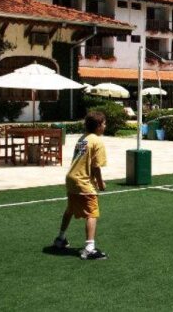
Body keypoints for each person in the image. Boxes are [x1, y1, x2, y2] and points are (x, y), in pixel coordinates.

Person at [53, 111, 108, 260]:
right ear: (98, 126)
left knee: (70, 209)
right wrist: (100, 183)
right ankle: (89, 248)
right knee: (92, 213)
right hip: (82, 181)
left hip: (71, 178)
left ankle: (60, 238)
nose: (105, 126)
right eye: (104, 123)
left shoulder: (82, 139)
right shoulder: (97, 141)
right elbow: (96, 166)